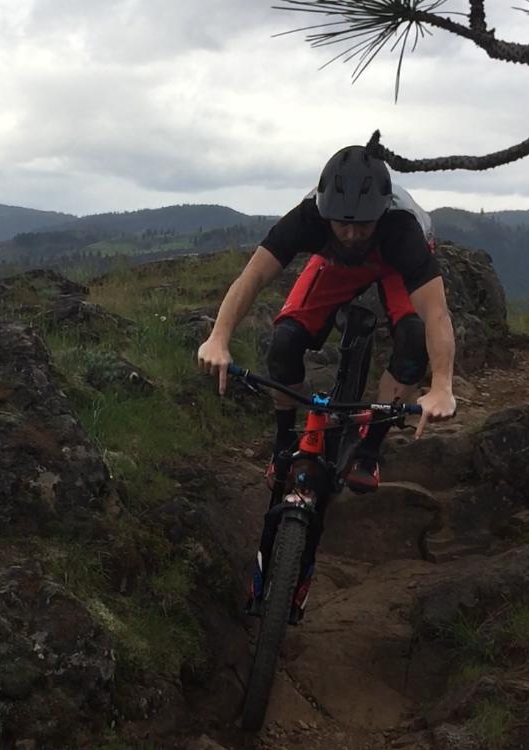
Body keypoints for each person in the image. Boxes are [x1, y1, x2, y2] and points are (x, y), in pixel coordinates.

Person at [196, 141, 459, 620]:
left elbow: (437, 313)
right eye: (343, 223)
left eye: (363, 224)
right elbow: (252, 278)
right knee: (285, 342)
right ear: (324, 211)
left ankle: (369, 449)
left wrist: (441, 385)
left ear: (380, 214)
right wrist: (218, 337)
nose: (354, 234)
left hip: (397, 267)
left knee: (413, 339)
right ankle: (282, 445)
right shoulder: (310, 217)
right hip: (333, 268)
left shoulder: (400, 229)